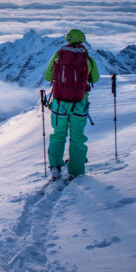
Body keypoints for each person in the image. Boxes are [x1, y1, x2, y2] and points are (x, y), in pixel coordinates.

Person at [43, 28, 100, 180]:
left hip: (59, 102)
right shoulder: (88, 59)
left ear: (67, 39)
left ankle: (55, 165)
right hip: (79, 103)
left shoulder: (58, 56)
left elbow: (47, 76)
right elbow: (95, 79)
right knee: (77, 137)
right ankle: (76, 170)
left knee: (58, 134)